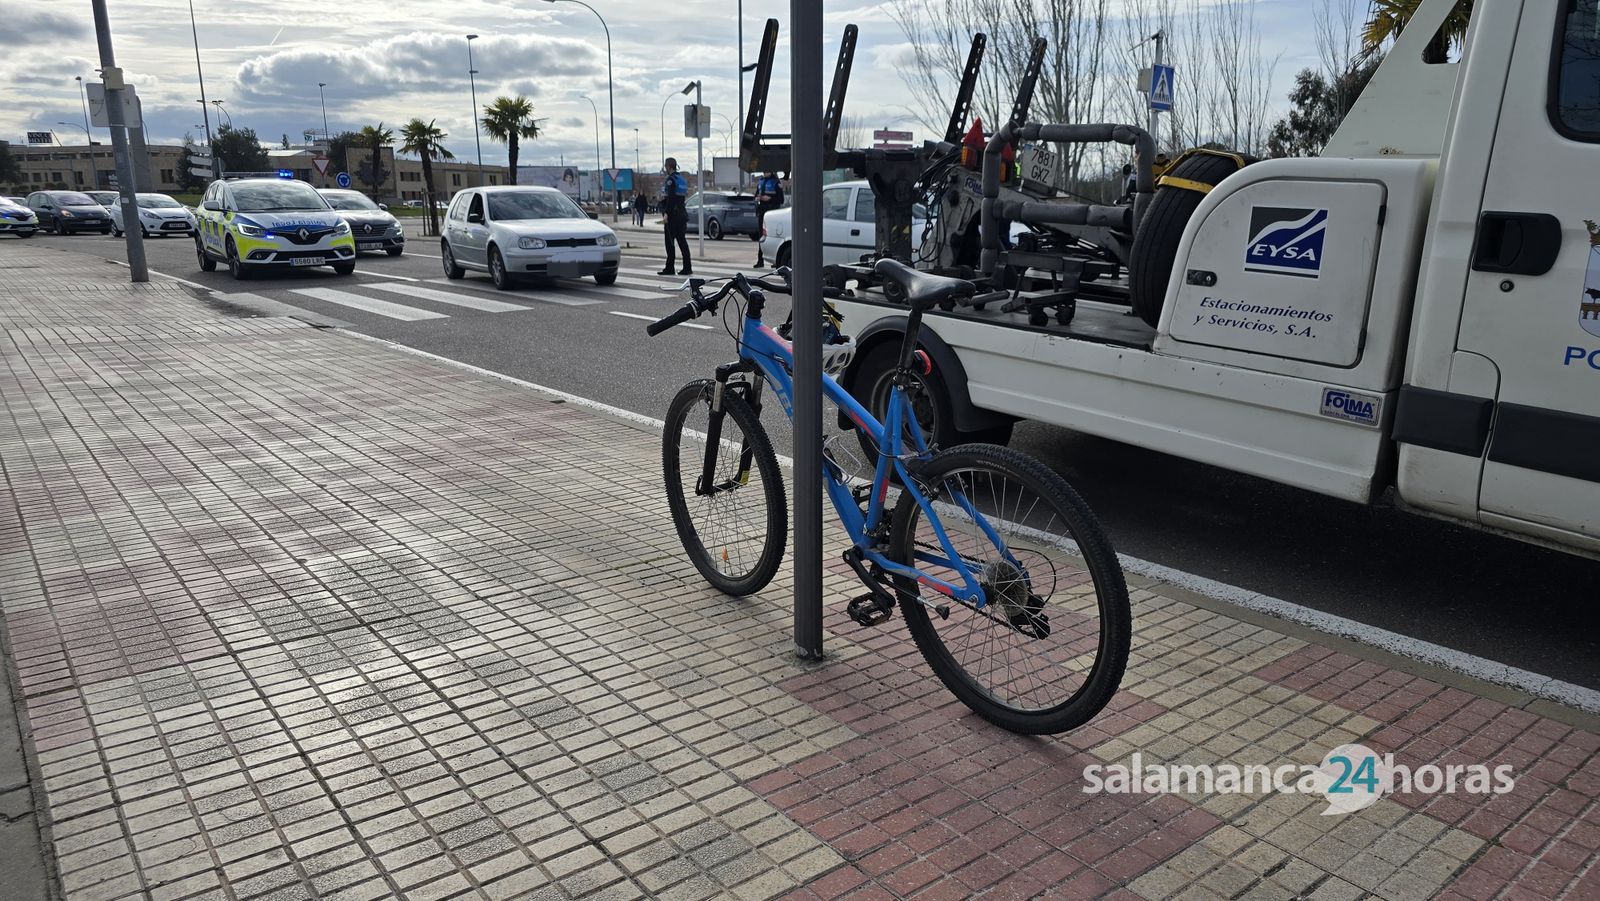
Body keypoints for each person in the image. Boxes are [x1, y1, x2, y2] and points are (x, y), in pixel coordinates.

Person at [659, 158, 691, 276]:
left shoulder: (671, 180)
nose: (665, 169)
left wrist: (666, 213)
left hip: (673, 216)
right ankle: (687, 267)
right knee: (682, 242)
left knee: (669, 242)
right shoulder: (681, 179)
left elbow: (671, 199)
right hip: (682, 214)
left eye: (666, 166)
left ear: (669, 166)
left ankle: (669, 268)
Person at [753, 170, 784, 267]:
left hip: (772, 213)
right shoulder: (761, 181)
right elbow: (756, 194)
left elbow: (781, 199)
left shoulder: (776, 182)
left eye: (767, 170)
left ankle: (776, 261)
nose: (764, 172)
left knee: (773, 237)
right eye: (764, 170)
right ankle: (760, 260)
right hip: (762, 212)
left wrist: (769, 198)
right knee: (761, 236)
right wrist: (757, 198)